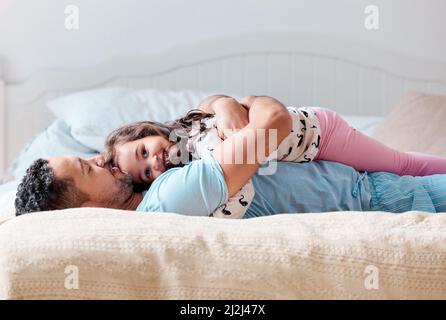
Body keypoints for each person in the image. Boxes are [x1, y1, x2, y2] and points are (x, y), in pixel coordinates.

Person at [15, 96, 446, 217]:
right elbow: (274, 121)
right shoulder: (168, 198)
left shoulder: (158, 186)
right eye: (88, 168)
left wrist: (223, 104)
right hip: (378, 198)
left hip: (352, 175)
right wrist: (245, 107)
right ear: (85, 207)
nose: (100, 161)